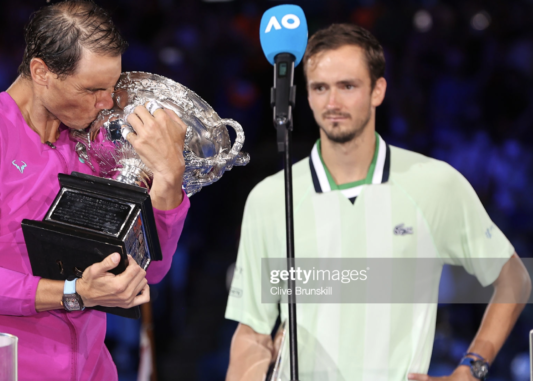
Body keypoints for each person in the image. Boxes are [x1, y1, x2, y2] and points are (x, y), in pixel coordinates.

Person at [224, 24, 531, 381]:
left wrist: (470, 369)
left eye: (347, 86)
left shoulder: (434, 184)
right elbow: (252, 332)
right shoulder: (269, 198)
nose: (332, 103)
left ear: (378, 91)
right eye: (320, 88)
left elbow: (514, 279)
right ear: (306, 95)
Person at [0, 1, 190, 379]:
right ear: (41, 72)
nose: (107, 103)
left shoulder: (97, 144)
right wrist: (75, 292)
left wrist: (169, 178)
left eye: (112, 88)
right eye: (92, 89)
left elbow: (149, 269)